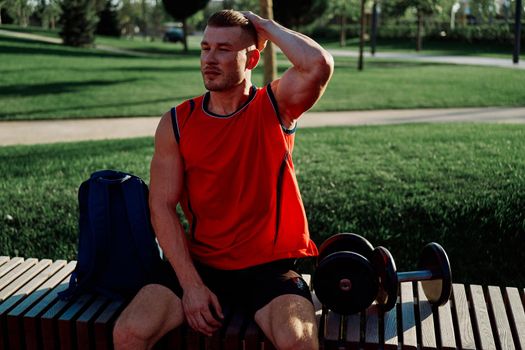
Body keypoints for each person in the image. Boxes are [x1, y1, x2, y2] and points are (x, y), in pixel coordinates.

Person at [113, 9, 333, 350]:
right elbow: (161, 206)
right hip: (201, 265)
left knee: (299, 341)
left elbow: (318, 64)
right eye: (205, 48)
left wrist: (265, 26)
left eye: (224, 49)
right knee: (129, 333)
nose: (209, 59)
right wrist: (191, 286)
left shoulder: (275, 106)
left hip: (268, 271)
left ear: (253, 58)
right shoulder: (176, 123)